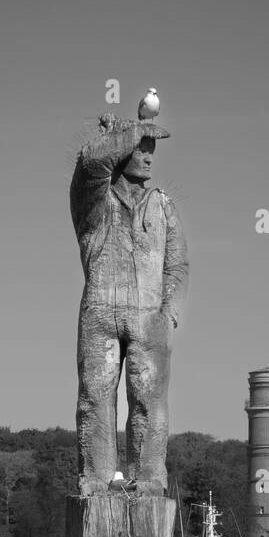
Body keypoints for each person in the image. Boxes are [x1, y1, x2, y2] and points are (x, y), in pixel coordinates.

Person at [70, 111, 189, 496]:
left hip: (149, 316)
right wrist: (128, 131)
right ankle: (96, 478)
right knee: (95, 398)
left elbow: (177, 265)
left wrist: (169, 311)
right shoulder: (95, 198)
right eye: (142, 148)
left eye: (152, 148)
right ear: (121, 149)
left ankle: (149, 477)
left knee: (149, 400)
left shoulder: (162, 205)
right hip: (101, 311)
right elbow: (91, 162)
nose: (151, 156)